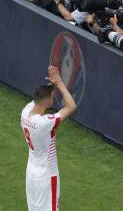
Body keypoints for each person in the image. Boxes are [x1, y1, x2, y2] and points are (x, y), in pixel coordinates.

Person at [21, 66, 77, 211]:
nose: (54, 99)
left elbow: (39, 97)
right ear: (47, 102)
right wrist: (59, 83)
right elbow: (71, 106)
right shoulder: (44, 122)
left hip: (31, 173)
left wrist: (50, 86)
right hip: (47, 175)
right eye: (52, 97)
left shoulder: (25, 113)